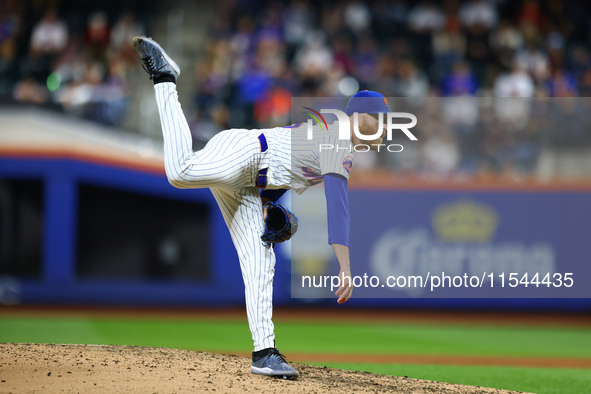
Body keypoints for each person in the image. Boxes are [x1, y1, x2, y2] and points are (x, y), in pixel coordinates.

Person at [132, 36, 387, 378]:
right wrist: (345, 267)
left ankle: (264, 352)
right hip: (246, 152)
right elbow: (338, 207)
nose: (385, 127)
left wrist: (268, 208)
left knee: (260, 258)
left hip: (252, 181)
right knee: (179, 172)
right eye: (381, 119)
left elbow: (284, 170)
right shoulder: (340, 137)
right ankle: (166, 79)